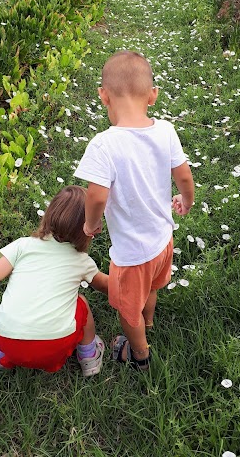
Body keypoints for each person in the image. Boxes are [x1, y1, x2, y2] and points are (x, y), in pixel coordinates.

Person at [74, 50, 194, 371]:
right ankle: (149, 321)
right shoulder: (166, 130)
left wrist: (90, 223)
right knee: (152, 287)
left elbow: (96, 196)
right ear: (152, 96)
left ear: (104, 96)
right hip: (163, 240)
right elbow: (183, 175)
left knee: (128, 311)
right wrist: (186, 200)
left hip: (132, 255)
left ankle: (138, 353)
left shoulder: (103, 145)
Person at [0, 185, 108, 376]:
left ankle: (3, 359)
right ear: (87, 230)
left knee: (13, 301)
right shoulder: (81, 261)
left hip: (7, 340)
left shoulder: (23, 245)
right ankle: (89, 355)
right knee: (81, 303)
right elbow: (105, 286)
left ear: (49, 215)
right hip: (53, 346)